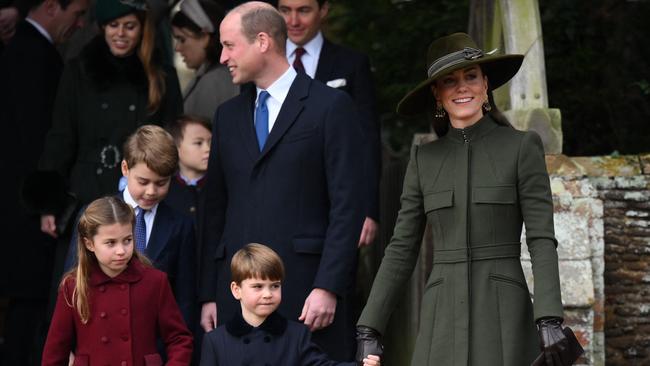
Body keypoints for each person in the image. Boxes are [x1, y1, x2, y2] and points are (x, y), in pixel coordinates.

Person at [355, 33, 567, 366]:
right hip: (441, 315)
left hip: (505, 311)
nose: (462, 87)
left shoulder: (521, 147)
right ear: (437, 95)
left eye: (471, 76)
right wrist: (369, 328)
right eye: (449, 81)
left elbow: (541, 239)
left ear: (486, 85)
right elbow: (400, 249)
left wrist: (549, 316)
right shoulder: (424, 159)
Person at [199, 1, 365, 361]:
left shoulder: (330, 107)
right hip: (237, 298)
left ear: (262, 41)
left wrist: (328, 286)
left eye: (229, 46)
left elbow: (347, 207)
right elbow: (215, 209)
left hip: (305, 291)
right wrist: (211, 293)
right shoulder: (226, 116)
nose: (223, 57)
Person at [37, 0, 183, 238]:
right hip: (85, 192)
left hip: (139, 194)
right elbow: (61, 137)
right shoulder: (79, 72)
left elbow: (172, 141)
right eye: (114, 25)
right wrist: (49, 203)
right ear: (103, 27)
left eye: (129, 26)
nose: (121, 34)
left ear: (142, 28)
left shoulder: (162, 76)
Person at [0, 0, 88, 363]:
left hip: (19, 208)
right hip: (25, 211)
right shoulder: (35, 59)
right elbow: (40, 141)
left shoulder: (21, 49)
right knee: (29, 311)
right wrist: (47, 203)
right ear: (52, 6)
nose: (81, 25)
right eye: (78, 14)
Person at [63, 125, 197, 331]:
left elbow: (185, 297)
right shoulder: (93, 215)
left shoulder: (181, 225)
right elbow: (73, 281)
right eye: (143, 182)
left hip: (155, 345)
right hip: (100, 335)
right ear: (125, 169)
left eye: (161, 183)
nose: (151, 191)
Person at [41, 196, 193, 365]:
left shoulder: (154, 281)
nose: (121, 250)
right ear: (89, 244)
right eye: (110, 243)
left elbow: (179, 339)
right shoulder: (73, 286)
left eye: (127, 240)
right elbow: (55, 352)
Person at [278, 0, 380, 247]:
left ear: (323, 10)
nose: (293, 21)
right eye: (285, 10)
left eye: (303, 10)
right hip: (277, 198)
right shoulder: (262, 63)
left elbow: (367, 140)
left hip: (336, 204)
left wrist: (368, 209)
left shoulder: (352, 64)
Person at [200, 243, 381, 366]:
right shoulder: (215, 341)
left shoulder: (297, 336)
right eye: (258, 287)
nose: (268, 294)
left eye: (275, 286)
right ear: (236, 290)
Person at [171, 0, 238, 120]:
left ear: (204, 38)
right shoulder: (214, 76)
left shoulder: (215, 81)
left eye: (182, 39)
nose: (177, 48)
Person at [165, 115, 211, 257]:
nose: (208, 149)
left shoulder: (221, 186)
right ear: (176, 148)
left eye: (211, 142)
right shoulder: (164, 191)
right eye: (198, 143)